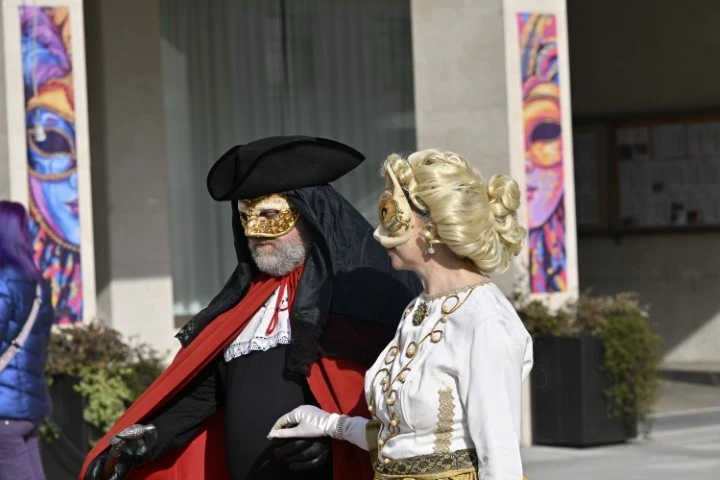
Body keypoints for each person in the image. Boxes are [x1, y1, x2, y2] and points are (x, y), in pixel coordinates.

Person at [80, 136, 422, 480]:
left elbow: (394, 405)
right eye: (245, 216)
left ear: (309, 214)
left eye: (270, 215)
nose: (255, 231)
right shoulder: (246, 303)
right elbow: (209, 393)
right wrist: (150, 439)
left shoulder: (362, 297)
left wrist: (334, 444)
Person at [269, 149, 534, 480]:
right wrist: (331, 424)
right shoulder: (419, 308)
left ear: (434, 227)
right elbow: (405, 441)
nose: (378, 234)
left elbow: (501, 458)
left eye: (394, 216)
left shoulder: (485, 321)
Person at [0, 201, 55, 480]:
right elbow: (42, 340)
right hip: (29, 405)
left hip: (4, 411)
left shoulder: (3, 281)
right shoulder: (38, 283)